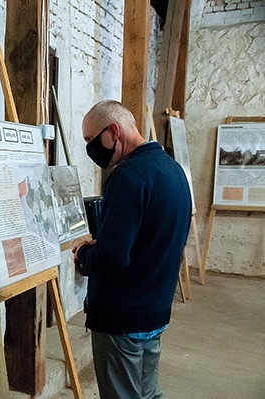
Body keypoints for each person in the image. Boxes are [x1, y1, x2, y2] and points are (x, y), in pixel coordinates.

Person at [73, 100, 191, 398]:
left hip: (121, 319)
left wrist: (84, 254)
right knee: (148, 393)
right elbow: (153, 237)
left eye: (90, 140)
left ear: (113, 131)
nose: (90, 149)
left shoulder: (127, 177)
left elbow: (113, 256)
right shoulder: (173, 170)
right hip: (155, 311)